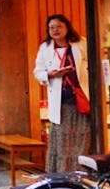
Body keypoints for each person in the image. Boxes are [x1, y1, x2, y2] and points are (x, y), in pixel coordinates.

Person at [34, 14, 91, 174]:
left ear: (67, 27)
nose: (55, 30)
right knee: (62, 141)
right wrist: (50, 74)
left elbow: (94, 65)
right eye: (51, 27)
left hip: (81, 99)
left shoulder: (81, 43)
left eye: (59, 26)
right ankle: (61, 174)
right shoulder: (45, 47)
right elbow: (37, 71)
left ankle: (80, 173)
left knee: (81, 138)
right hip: (60, 102)